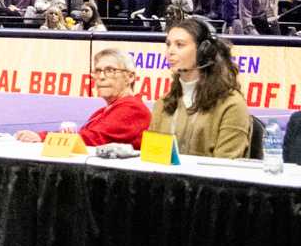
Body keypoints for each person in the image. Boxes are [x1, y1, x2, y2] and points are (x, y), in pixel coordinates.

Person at [147, 15, 253, 158]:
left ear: (203, 51)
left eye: (180, 45)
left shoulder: (231, 104)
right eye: (168, 44)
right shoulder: (163, 103)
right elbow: (153, 159)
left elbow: (226, 169)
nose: (170, 51)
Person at [14, 50, 150, 148]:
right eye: (97, 71)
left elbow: (90, 139)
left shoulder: (133, 108)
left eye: (110, 70)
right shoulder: (103, 111)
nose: (101, 77)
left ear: (130, 77)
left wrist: (41, 137)